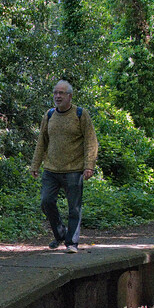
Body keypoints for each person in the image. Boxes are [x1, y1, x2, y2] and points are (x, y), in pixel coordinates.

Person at [30, 80, 99, 254]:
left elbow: (91, 141)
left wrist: (89, 165)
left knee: (74, 207)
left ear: (70, 96)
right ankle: (60, 234)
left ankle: (72, 243)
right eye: (55, 93)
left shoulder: (80, 114)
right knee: (46, 202)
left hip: (74, 170)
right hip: (51, 169)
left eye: (61, 93)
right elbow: (42, 142)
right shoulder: (49, 115)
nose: (57, 96)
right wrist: (35, 164)